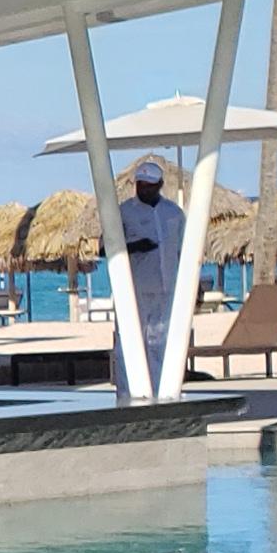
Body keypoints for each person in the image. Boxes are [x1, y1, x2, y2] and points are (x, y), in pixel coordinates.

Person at [112, 158, 185, 392]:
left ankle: (161, 389)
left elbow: (184, 250)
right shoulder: (123, 212)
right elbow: (105, 248)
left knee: (161, 341)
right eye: (140, 184)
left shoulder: (173, 213)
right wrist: (134, 246)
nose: (144, 189)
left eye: (149, 185)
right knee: (130, 341)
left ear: (160, 185)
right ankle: (127, 391)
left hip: (168, 286)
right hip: (135, 288)